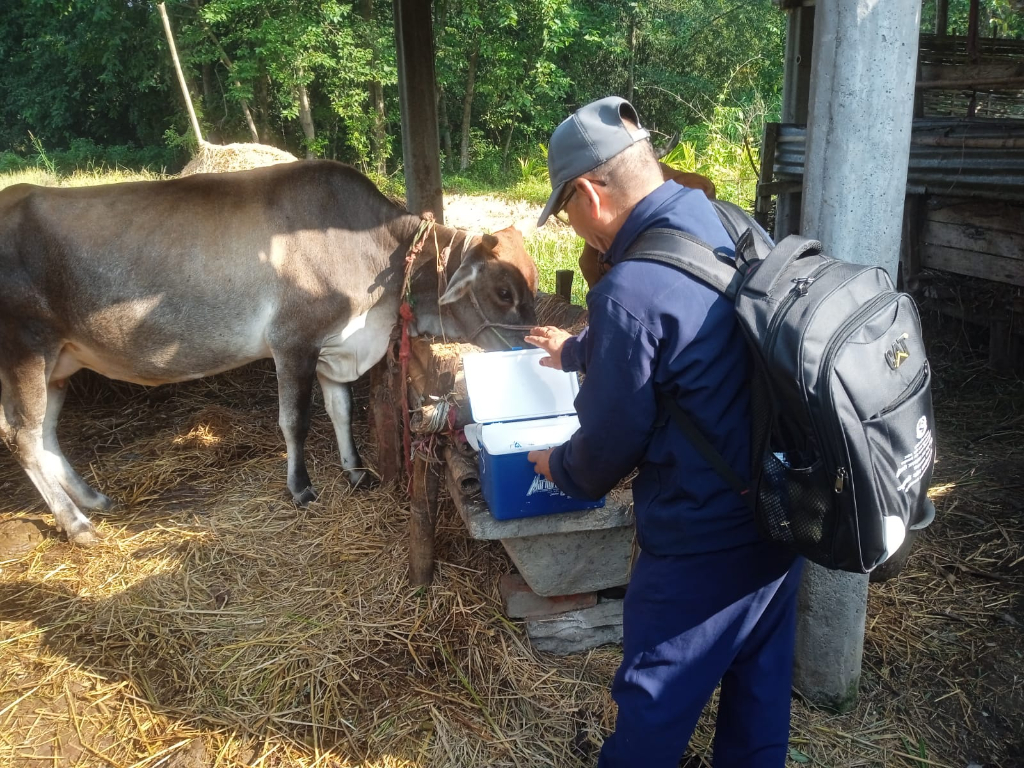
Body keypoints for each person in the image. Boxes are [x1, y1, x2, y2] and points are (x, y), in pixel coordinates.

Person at [525, 96, 804, 768]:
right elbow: (698, 329)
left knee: (653, 713)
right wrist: (579, 350)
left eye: (565, 210)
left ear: (590, 194)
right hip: (780, 516)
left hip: (699, 545)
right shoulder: (730, 223)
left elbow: (608, 444)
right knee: (759, 704)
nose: (572, 227)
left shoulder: (628, 287)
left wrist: (553, 466)